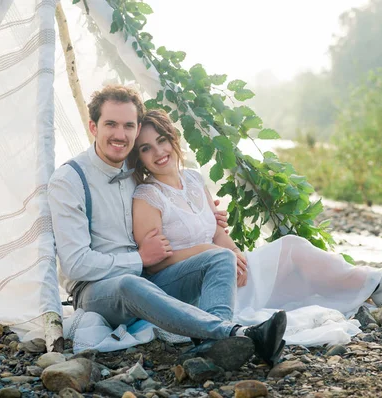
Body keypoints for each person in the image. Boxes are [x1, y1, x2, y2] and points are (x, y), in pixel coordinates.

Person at [129, 109, 382, 334]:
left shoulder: (194, 179)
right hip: (198, 290)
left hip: (228, 267)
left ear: (173, 139)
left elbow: (216, 230)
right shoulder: (147, 196)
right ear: (139, 157)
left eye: (162, 140)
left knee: (293, 248)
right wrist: (214, 254)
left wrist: (235, 254)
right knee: (294, 257)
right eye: (146, 148)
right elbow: (156, 265)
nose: (158, 152)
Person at [48, 85, 287, 370]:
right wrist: (139, 258)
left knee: (221, 257)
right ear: (93, 127)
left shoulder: (138, 172)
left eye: (128, 126)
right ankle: (233, 332)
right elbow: (75, 264)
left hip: (150, 280)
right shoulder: (69, 180)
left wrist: (209, 218)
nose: (120, 134)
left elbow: (172, 204)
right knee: (129, 282)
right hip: (98, 290)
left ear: (136, 130)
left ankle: (213, 345)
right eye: (110, 124)